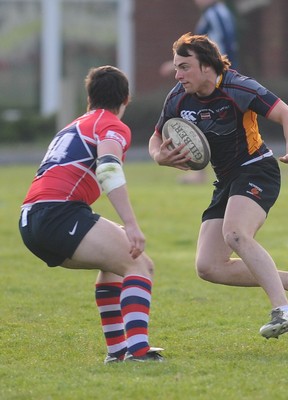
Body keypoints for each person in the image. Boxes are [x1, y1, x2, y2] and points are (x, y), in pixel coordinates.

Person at [149, 33, 288, 339]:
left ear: (206, 66)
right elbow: (156, 135)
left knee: (235, 234)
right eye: (176, 67)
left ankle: (283, 310)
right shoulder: (178, 96)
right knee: (208, 266)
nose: (177, 74)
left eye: (184, 67)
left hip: (257, 169)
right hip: (226, 178)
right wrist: (158, 156)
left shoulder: (238, 87)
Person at [19, 65, 163, 362]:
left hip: (29, 220)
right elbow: (108, 168)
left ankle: (118, 351)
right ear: (126, 99)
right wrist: (131, 224)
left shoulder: (73, 125)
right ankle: (138, 352)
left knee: (112, 266)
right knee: (140, 266)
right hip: (59, 214)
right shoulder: (110, 125)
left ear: (90, 97)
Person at [160, 0, 238, 184]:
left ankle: (202, 171)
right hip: (215, 76)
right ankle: (204, 171)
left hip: (215, 79)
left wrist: (179, 68)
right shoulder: (218, 12)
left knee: (203, 120)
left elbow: (214, 50)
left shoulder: (215, 14)